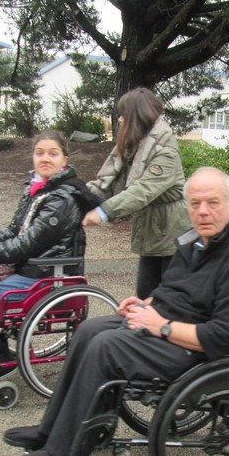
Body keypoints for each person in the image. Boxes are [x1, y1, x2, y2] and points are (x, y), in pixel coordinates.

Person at [3, 167, 229, 456]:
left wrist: (161, 326)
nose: (203, 212)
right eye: (195, 203)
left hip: (206, 354)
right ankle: (51, 429)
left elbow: (223, 337)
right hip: (172, 330)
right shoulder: (197, 242)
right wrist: (148, 303)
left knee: (107, 346)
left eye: (213, 203)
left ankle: (62, 454)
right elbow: (175, 290)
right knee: (89, 331)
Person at [0, 130, 99, 389]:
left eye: (53, 153)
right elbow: (13, 231)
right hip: (30, 272)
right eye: (40, 153)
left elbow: (24, 245)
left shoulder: (62, 199)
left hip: (47, 279)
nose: (45, 158)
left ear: (65, 159)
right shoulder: (37, 189)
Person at [83, 87, 191, 298]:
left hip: (173, 236)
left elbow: (142, 191)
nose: (120, 119)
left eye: (123, 114)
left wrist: (103, 212)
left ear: (135, 116)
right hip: (154, 233)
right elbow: (108, 182)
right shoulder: (136, 147)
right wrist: (80, 198)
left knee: (165, 302)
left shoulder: (165, 150)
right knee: (145, 298)